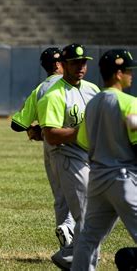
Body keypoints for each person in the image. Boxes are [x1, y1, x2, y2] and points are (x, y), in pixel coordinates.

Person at [72, 50, 137, 270]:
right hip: (123, 179)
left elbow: (83, 141)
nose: (131, 74)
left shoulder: (92, 104)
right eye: (129, 70)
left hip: (98, 179)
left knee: (88, 237)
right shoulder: (129, 103)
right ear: (118, 74)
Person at [37, 43, 100, 269]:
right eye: (75, 62)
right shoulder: (53, 94)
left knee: (97, 213)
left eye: (83, 62)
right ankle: (81, 260)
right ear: (62, 65)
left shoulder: (92, 89)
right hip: (67, 155)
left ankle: (70, 254)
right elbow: (52, 136)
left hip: (90, 156)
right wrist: (86, 131)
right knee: (87, 214)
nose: (80, 67)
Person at [11, 47, 75, 248]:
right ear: (58, 64)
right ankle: (71, 228)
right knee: (86, 195)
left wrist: (35, 129)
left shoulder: (39, 90)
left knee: (61, 198)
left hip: (50, 147)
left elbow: (17, 125)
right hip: (76, 144)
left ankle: (67, 247)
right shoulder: (73, 85)